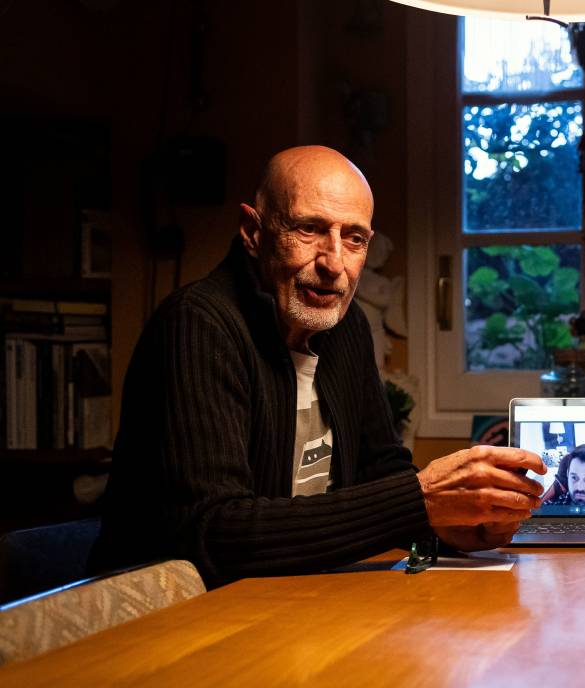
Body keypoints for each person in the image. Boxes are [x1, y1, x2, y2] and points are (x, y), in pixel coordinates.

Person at [91, 145, 546, 587]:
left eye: (354, 238)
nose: (333, 263)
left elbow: (380, 471)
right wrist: (420, 499)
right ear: (252, 232)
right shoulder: (196, 325)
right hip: (174, 611)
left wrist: (448, 526)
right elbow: (214, 533)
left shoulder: (346, 325)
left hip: (297, 594)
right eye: (308, 229)